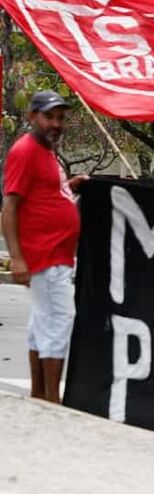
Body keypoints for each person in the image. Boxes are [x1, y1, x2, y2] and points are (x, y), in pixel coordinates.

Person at [1, 90, 87, 403]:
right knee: (59, 321)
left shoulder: (46, 152)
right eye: (49, 116)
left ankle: (40, 394)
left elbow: (47, 196)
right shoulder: (26, 151)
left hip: (55, 256)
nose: (56, 123)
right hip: (45, 256)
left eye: (61, 118)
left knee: (42, 323)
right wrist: (17, 258)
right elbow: (10, 206)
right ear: (32, 117)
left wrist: (69, 186)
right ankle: (53, 399)